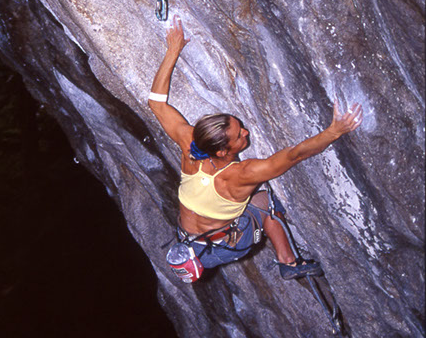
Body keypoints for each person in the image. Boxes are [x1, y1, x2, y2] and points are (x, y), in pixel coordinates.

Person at [148, 16, 363, 280]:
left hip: (190, 246)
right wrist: (334, 131)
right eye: (240, 136)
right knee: (266, 200)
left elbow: (157, 104)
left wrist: (173, 49)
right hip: (226, 247)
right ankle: (289, 261)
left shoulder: (190, 147)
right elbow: (295, 154)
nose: (246, 133)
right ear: (223, 152)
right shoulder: (241, 175)